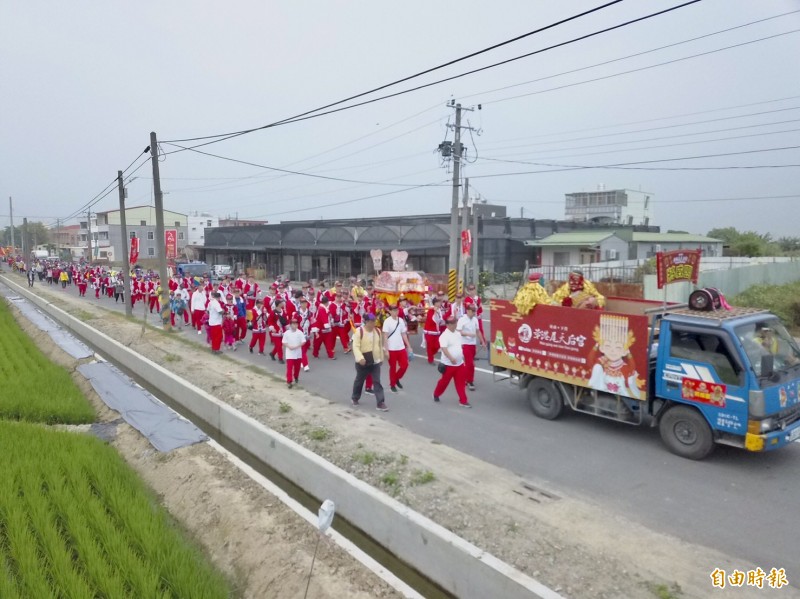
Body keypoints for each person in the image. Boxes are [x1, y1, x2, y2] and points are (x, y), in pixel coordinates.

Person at [351, 313, 388, 411]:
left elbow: (379, 346)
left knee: (377, 381)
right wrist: (360, 358)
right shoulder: (359, 332)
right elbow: (355, 346)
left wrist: (381, 358)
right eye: (371, 322)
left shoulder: (378, 331)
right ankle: (355, 397)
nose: (373, 324)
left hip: (375, 361)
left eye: (374, 321)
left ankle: (380, 403)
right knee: (359, 380)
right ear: (366, 322)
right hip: (363, 361)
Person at [434, 316, 470, 407]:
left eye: (455, 322)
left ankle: (463, 400)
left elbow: (459, 346)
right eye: (453, 323)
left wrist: (462, 357)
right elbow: (444, 349)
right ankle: (436, 394)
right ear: (448, 325)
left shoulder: (457, 334)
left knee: (461, 383)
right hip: (448, 364)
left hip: (460, 364)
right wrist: (451, 358)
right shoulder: (444, 336)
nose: (455, 324)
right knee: (444, 382)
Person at [382, 304, 412, 392]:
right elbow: (385, 336)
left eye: (397, 310)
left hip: (401, 347)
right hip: (391, 348)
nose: (396, 312)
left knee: (404, 365)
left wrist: (409, 346)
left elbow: (404, 334)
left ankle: (396, 378)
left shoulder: (401, 321)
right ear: (390, 311)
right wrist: (386, 350)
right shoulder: (387, 321)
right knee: (393, 367)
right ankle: (392, 384)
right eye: (394, 310)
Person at [457, 304, 485, 391]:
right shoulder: (462, 320)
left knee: (469, 363)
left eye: (475, 311)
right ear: (468, 311)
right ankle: (470, 381)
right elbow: (458, 331)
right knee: (470, 364)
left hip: (472, 344)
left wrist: (482, 341)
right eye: (473, 311)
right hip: (464, 344)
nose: (474, 313)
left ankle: (464, 378)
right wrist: (468, 334)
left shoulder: (475, 320)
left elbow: (478, 331)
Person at [282, 316, 306, 389]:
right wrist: (289, 346)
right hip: (290, 353)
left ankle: (296, 377)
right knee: (289, 367)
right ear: (290, 324)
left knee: (297, 367)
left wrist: (297, 346)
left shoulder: (300, 332)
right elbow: (284, 342)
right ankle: (289, 381)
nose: (295, 325)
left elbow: (303, 341)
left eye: (296, 323)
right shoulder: (287, 333)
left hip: (298, 352)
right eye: (293, 323)